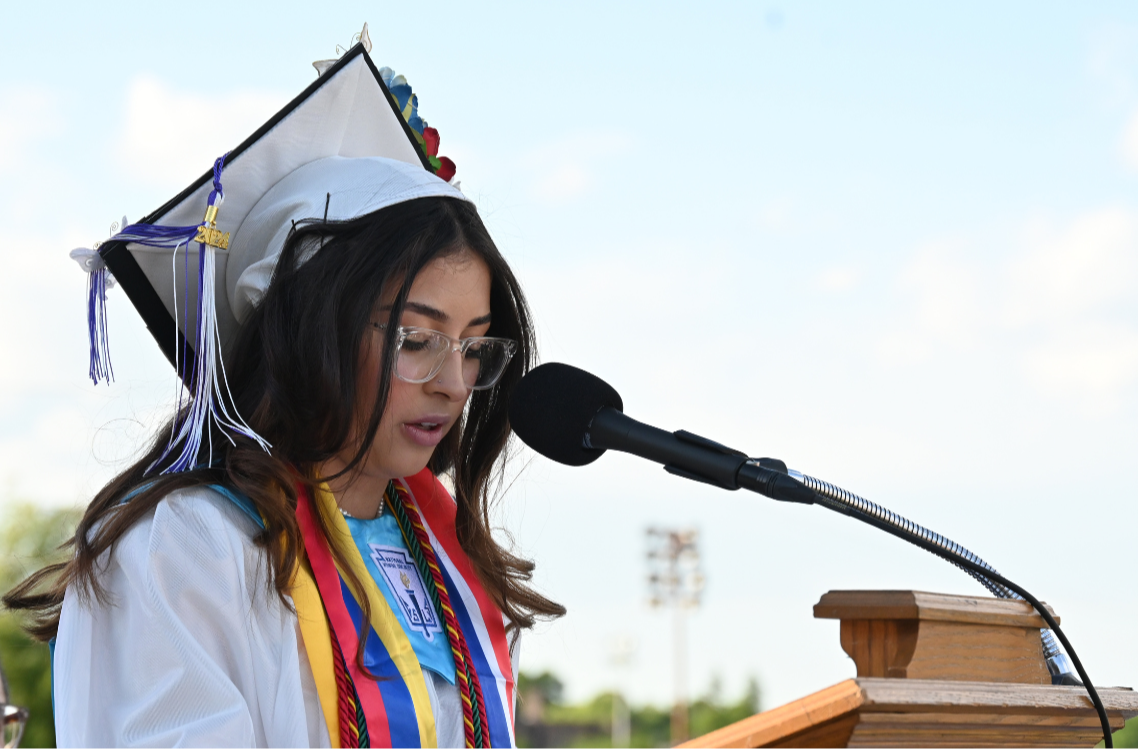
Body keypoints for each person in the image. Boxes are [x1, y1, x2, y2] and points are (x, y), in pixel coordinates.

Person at [3, 35, 562, 749]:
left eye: (475, 345)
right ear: (312, 332)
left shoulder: (447, 553)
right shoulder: (187, 547)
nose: (455, 385)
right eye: (416, 341)